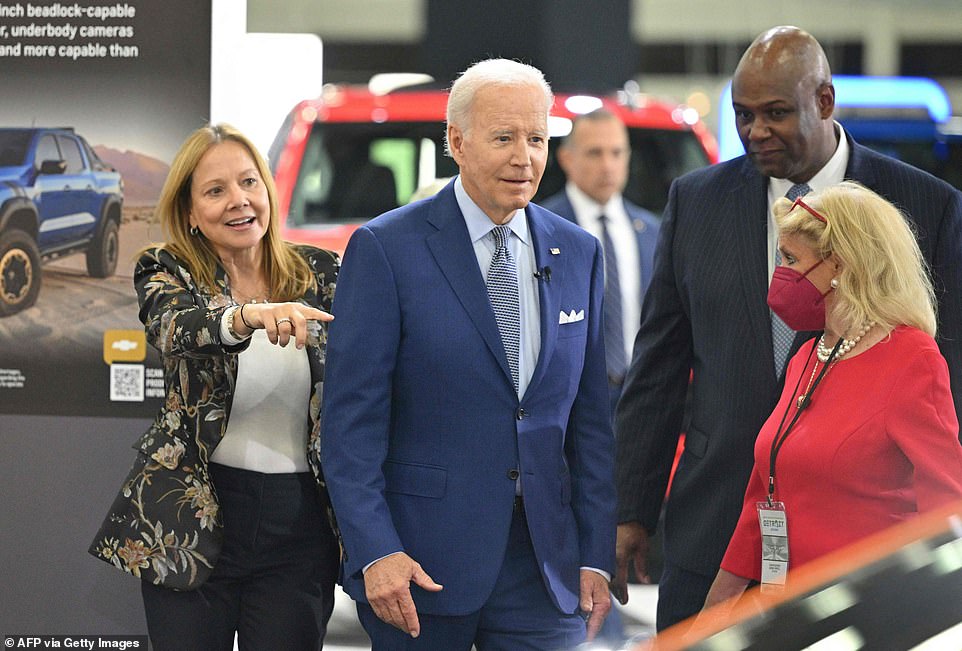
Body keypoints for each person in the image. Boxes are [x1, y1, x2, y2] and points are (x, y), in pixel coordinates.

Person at [612, 25, 962, 631]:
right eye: (744, 115)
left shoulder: (925, 205)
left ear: (824, 102)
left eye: (775, 113)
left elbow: (947, 378)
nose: (755, 132)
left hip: (859, 550)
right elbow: (658, 368)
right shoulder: (696, 201)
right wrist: (630, 508)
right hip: (716, 524)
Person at [320, 58, 616, 650]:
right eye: (504, 138)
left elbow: (591, 426)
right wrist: (376, 549)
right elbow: (350, 426)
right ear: (456, 141)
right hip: (420, 568)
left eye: (537, 138)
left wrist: (596, 555)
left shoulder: (579, 253)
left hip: (545, 569)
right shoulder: (386, 249)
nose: (524, 157)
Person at [89, 124, 341, 650]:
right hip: (191, 511)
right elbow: (173, 328)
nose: (239, 201)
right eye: (215, 190)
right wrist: (247, 316)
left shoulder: (323, 272)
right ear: (189, 212)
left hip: (298, 525)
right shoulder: (166, 268)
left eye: (249, 182)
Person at [704, 181, 962, 607]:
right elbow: (762, 497)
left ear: (841, 264)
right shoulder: (809, 354)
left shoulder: (911, 358)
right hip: (787, 604)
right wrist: (712, 615)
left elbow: (946, 511)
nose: (780, 274)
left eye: (790, 259)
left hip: (868, 610)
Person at [541, 108, 660, 416]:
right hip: (567, 403)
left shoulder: (652, 231)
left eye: (617, 153)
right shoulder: (541, 227)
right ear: (566, 159)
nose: (608, 165)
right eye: (595, 153)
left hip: (640, 397)